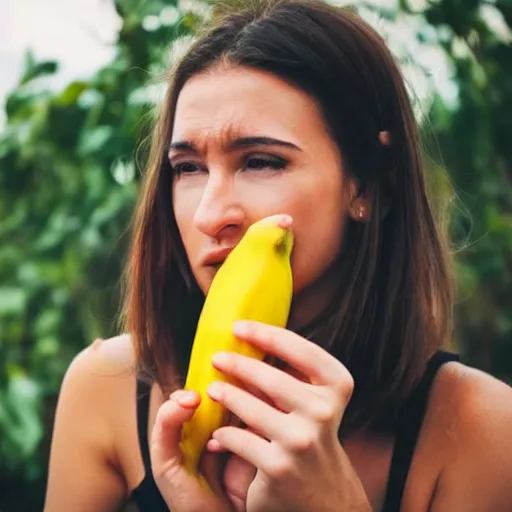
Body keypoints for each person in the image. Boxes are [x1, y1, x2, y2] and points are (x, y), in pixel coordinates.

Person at [44, 0, 512, 510]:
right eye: (187, 168)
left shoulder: (480, 427)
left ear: (371, 187)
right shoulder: (106, 391)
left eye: (261, 162)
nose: (209, 214)